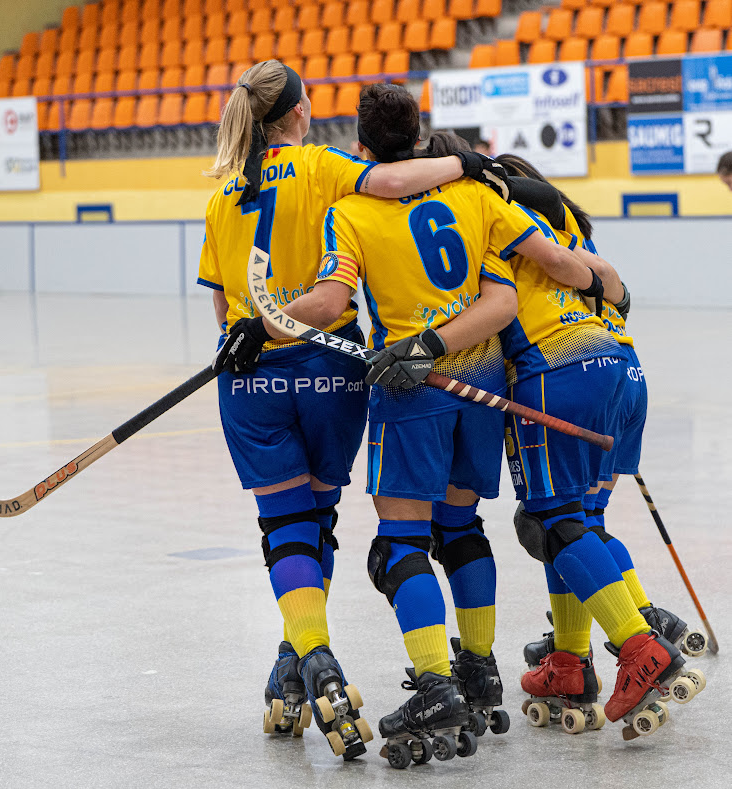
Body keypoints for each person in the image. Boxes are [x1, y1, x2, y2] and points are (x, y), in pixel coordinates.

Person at [271, 86, 608, 765]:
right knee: (460, 529)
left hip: (414, 390)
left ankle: (433, 682)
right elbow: (519, 286)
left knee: (397, 545)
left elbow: (333, 299)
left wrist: (262, 320)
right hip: (483, 387)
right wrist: (609, 288)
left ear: (360, 146)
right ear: (422, 136)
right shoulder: (478, 195)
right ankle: (478, 668)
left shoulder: (351, 210)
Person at [198, 59, 508, 760]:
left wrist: (251, 332)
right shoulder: (319, 166)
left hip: (251, 377)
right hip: (331, 368)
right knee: (322, 520)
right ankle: (296, 655)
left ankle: (310, 657)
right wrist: (466, 167)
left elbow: (223, 311)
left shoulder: (220, 197)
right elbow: (393, 182)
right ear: (300, 115)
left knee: (285, 528)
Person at [473, 150, 704, 740]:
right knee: (582, 522)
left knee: (550, 523)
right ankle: (571, 664)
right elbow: (616, 291)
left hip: (558, 374)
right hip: (623, 372)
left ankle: (637, 644)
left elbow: (494, 309)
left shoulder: (500, 222)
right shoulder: (568, 222)